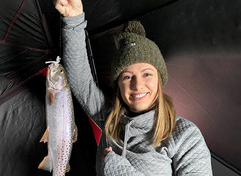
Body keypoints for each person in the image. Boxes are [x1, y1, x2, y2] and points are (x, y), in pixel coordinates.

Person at [53, 0, 213, 175]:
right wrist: (73, 18)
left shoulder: (185, 136)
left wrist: (117, 170)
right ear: (119, 85)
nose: (137, 85)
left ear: (160, 80)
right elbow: (80, 81)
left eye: (147, 74)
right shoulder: (111, 119)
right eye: (127, 76)